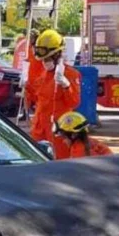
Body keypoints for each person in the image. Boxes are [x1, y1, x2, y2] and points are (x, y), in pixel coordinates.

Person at [25, 29, 81, 159]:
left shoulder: (70, 74)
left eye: (47, 59)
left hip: (59, 130)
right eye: (43, 60)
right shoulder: (43, 73)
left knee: (59, 163)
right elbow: (35, 94)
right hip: (39, 128)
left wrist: (66, 85)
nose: (44, 62)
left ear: (57, 55)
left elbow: (74, 102)